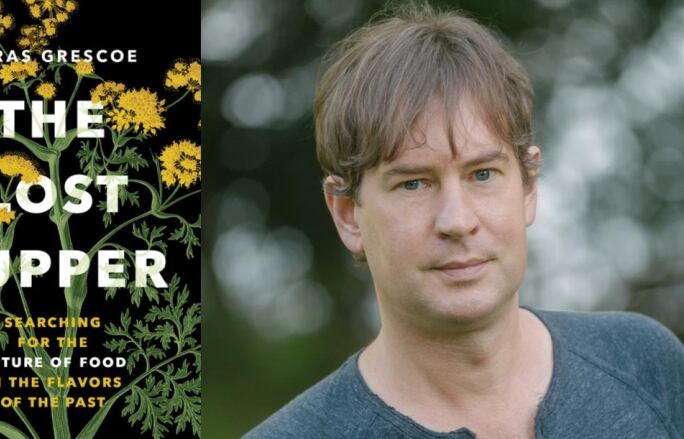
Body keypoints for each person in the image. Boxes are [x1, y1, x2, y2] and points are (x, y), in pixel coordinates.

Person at [243, 2, 684, 439]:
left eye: (483, 174)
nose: (457, 221)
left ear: (528, 186)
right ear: (347, 214)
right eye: (413, 184)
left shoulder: (645, 364)